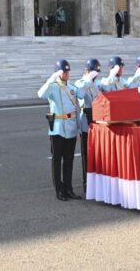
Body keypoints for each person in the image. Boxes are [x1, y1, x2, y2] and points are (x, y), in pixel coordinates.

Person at [38, 60, 85, 201]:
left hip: (70, 128)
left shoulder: (72, 87)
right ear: (59, 73)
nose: (67, 74)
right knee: (57, 160)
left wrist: (78, 129)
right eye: (64, 72)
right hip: (57, 129)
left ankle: (69, 188)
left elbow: (80, 101)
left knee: (69, 160)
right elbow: (41, 94)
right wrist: (51, 78)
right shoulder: (52, 87)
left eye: (67, 71)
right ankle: (59, 189)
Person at [74, 58, 101, 193]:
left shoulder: (95, 84)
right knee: (86, 154)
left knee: (97, 154)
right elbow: (80, 94)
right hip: (85, 121)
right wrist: (88, 80)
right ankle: (87, 183)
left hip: (97, 122)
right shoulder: (80, 82)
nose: (96, 75)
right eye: (94, 72)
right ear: (87, 71)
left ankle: (97, 181)